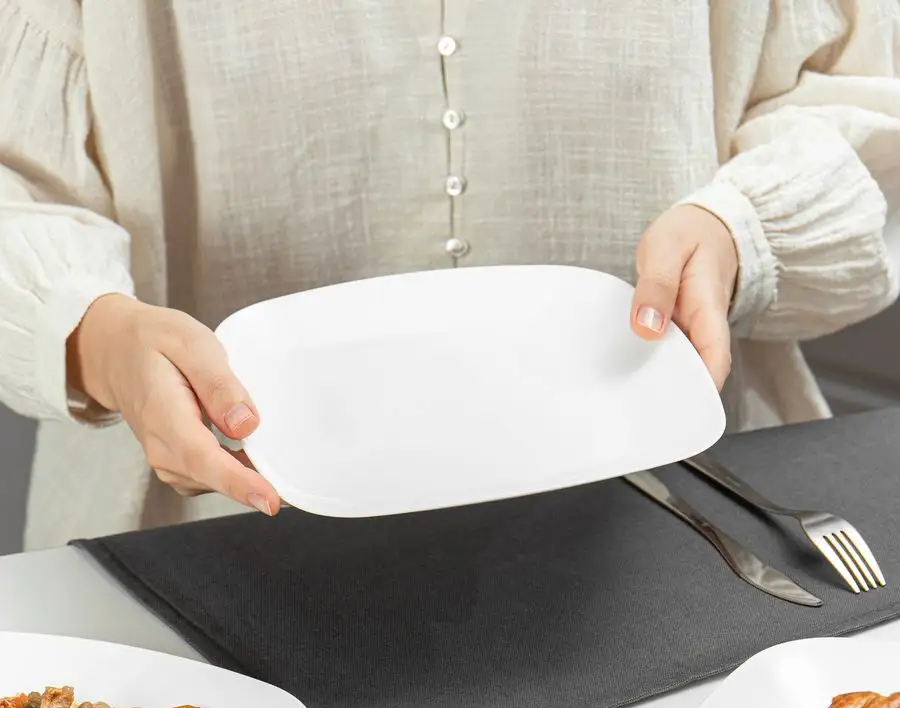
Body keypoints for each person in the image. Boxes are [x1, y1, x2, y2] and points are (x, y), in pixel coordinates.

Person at [1, 2, 898, 549]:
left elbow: (862, 95)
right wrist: (96, 337)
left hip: (679, 522)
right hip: (215, 548)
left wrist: (742, 226)